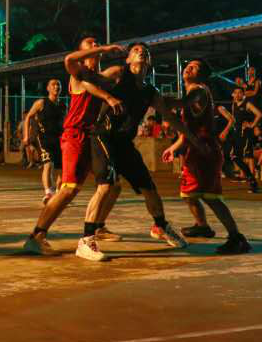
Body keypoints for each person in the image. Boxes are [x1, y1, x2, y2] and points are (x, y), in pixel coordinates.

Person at [78, 42, 200, 259]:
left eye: (145, 52)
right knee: (105, 186)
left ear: (149, 62)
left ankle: (160, 226)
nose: (141, 52)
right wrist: (108, 97)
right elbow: (85, 82)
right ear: (128, 59)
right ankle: (86, 240)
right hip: (104, 136)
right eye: (135, 50)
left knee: (149, 188)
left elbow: (170, 117)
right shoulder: (118, 73)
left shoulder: (150, 92)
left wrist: (192, 139)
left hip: (124, 143)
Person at [22, 39, 130, 258]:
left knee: (112, 185)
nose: (96, 44)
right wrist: (105, 49)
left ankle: (97, 227)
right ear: (84, 53)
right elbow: (69, 59)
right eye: (91, 44)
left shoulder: (99, 77)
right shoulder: (77, 74)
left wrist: (130, 64)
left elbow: (114, 74)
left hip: (91, 137)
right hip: (75, 135)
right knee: (69, 189)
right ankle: (36, 236)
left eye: (97, 43)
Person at [163, 59, 251, 254]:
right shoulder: (192, 92)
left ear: (202, 75)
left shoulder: (199, 90)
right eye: (188, 65)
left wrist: (155, 98)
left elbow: (181, 103)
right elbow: (187, 130)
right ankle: (202, 225)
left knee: (211, 197)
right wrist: (174, 147)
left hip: (205, 151)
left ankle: (237, 238)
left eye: (195, 67)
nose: (189, 67)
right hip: (195, 150)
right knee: (188, 193)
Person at [23, 79, 65, 204]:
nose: (56, 86)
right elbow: (28, 117)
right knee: (48, 164)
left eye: (58, 84)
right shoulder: (41, 103)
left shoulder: (63, 105)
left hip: (59, 139)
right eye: (53, 84)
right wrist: (26, 136)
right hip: (44, 139)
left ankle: (58, 193)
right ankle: (48, 193)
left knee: (63, 169)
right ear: (48, 88)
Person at [226, 86, 261, 192]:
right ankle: (250, 178)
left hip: (245, 134)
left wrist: (252, 125)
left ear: (243, 94)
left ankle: (252, 181)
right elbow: (234, 119)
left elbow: (259, 114)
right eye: (235, 93)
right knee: (234, 157)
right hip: (236, 134)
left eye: (240, 92)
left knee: (245, 156)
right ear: (233, 94)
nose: (237, 95)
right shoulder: (234, 105)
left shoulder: (247, 104)